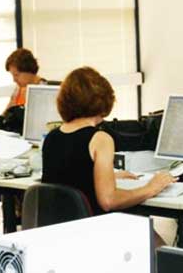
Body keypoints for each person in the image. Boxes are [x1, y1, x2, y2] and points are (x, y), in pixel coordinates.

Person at [41, 66, 175, 215]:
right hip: (91, 224)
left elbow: (72, 178)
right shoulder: (100, 139)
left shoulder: (52, 137)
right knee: (143, 223)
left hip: (57, 226)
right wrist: (151, 188)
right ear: (103, 100)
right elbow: (108, 201)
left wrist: (111, 177)